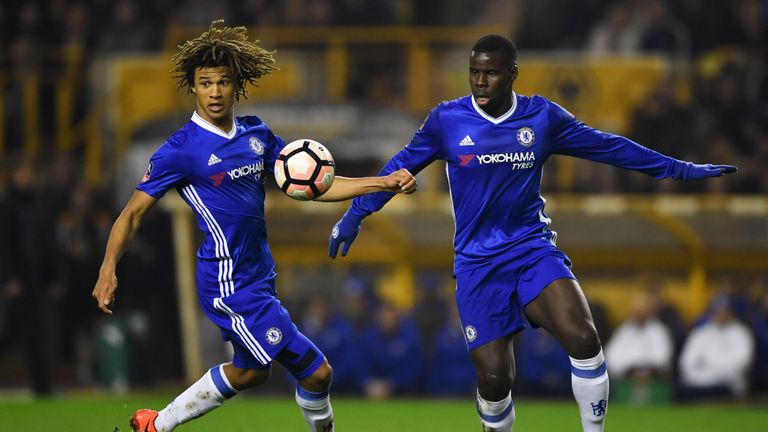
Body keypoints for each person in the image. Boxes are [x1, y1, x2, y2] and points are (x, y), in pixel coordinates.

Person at [328, 34, 737, 432]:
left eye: (490, 73)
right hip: (477, 264)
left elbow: (610, 147)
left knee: (583, 336)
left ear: (513, 74)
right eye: (473, 72)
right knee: (494, 381)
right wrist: (355, 215)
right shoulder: (447, 120)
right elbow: (397, 169)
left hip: (531, 249)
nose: (480, 82)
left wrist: (681, 169)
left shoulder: (542, 117)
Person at [91, 20, 416, 432]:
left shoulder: (256, 134)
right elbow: (132, 213)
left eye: (222, 82)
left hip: (259, 275)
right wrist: (107, 267)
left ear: (236, 85)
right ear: (193, 87)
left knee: (251, 373)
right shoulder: (181, 149)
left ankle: (155, 424)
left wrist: (383, 181)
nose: (214, 91)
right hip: (229, 282)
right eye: (205, 83)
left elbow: (315, 185)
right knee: (317, 373)